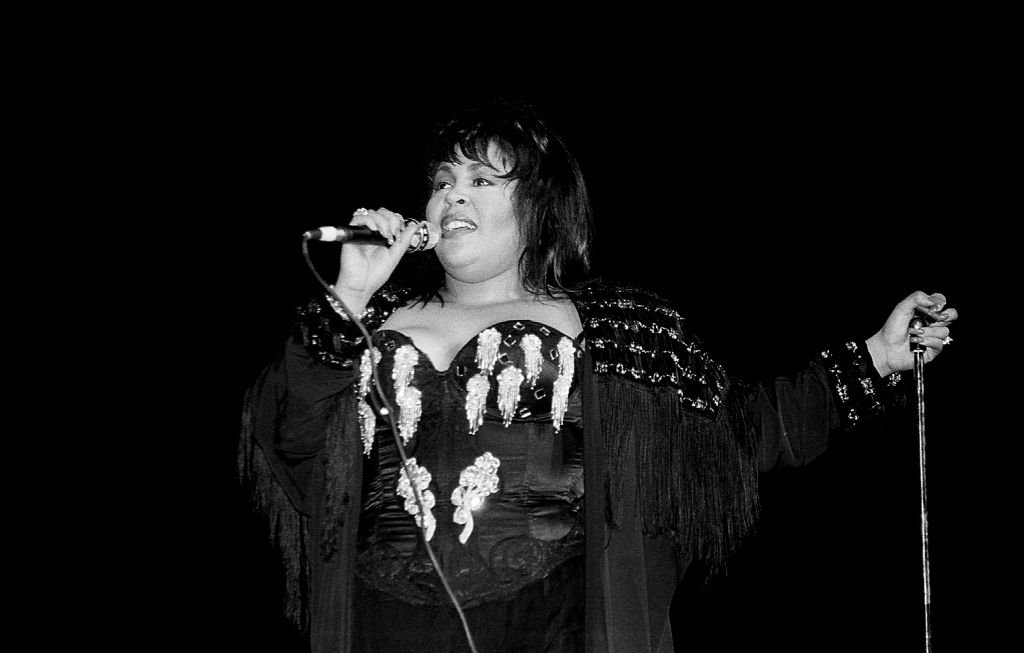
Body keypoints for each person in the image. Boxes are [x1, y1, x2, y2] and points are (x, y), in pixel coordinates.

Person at [237, 99, 957, 653]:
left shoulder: (618, 326)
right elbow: (288, 439)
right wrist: (352, 294)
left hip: (555, 620)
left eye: (482, 179)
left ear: (538, 209)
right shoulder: (367, 319)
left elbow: (746, 429)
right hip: (380, 623)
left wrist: (876, 358)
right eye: (442, 181)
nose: (452, 195)